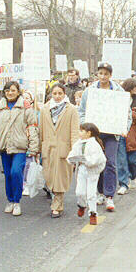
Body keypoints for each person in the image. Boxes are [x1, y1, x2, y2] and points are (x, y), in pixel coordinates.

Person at [78, 62, 132, 212]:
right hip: (95, 134)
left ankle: (109, 195)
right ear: (97, 74)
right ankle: (100, 191)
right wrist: (86, 127)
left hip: (112, 134)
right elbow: (82, 112)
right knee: (97, 163)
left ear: (110, 75)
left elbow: (126, 113)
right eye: (100, 73)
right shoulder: (90, 91)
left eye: (106, 74)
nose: (103, 76)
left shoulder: (118, 91)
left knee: (110, 162)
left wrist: (124, 128)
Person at [0, 81, 39, 216]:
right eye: (7, 90)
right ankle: (10, 200)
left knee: (16, 172)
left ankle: (17, 201)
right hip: (4, 146)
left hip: (20, 146)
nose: (10, 93)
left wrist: (34, 147)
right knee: (8, 174)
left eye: (13, 90)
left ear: (18, 91)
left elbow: (32, 126)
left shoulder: (25, 106)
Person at [40, 83, 79, 218]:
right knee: (49, 177)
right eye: (54, 94)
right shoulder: (45, 109)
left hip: (64, 148)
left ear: (64, 94)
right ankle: (55, 197)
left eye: (60, 94)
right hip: (49, 148)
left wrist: (75, 151)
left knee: (60, 178)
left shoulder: (71, 110)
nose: (57, 96)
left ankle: (57, 204)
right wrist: (39, 147)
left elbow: (74, 131)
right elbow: (41, 130)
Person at [67, 123, 106, 225]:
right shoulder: (78, 144)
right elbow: (71, 155)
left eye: (81, 131)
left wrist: (85, 160)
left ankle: (93, 213)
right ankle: (82, 205)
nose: (79, 133)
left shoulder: (94, 145)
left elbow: (95, 160)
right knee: (79, 192)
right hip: (81, 170)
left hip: (92, 172)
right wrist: (72, 160)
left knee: (91, 194)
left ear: (89, 133)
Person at [117, 78, 136, 194]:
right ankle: (123, 183)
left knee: (133, 160)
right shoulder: (120, 99)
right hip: (121, 133)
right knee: (121, 160)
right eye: (134, 86)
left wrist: (127, 110)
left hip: (134, 134)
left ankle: (132, 176)